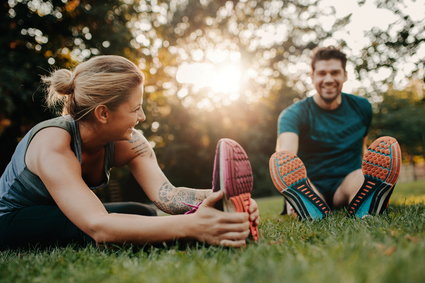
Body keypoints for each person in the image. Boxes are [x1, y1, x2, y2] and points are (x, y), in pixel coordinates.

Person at [0, 55, 259, 249]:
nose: (143, 116)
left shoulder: (131, 143)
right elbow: (98, 225)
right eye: (135, 109)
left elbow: (168, 197)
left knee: (141, 213)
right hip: (12, 220)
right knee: (93, 229)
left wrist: (226, 199)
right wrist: (192, 226)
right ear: (103, 113)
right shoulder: (53, 143)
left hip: (64, 214)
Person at [269, 46, 401, 220]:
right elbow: (285, 157)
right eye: (322, 73)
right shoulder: (294, 114)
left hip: (347, 181)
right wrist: (288, 195)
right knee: (304, 188)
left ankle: (369, 200)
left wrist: (372, 171)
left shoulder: (362, 107)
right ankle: (301, 202)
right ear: (312, 76)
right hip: (311, 183)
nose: (329, 79)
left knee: (361, 178)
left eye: (335, 72)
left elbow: (362, 146)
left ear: (345, 75)